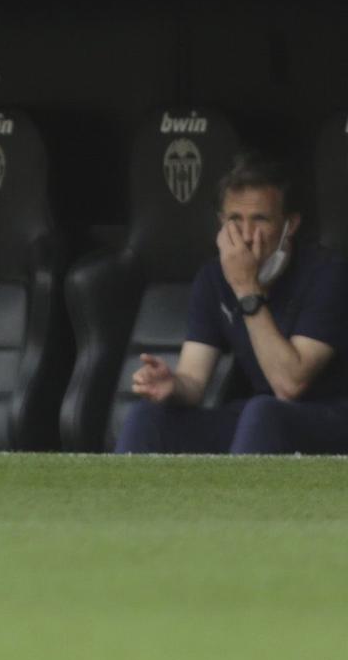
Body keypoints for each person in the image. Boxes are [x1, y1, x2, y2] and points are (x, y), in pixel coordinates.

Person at [119, 155, 348, 456]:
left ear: (289, 225)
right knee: (146, 418)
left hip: (330, 417)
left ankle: (235, 504)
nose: (246, 234)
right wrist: (171, 385)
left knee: (264, 412)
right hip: (264, 420)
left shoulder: (327, 273)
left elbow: (290, 385)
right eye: (235, 220)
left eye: (260, 219)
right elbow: (194, 381)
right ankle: (125, 503)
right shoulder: (213, 278)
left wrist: (246, 288)